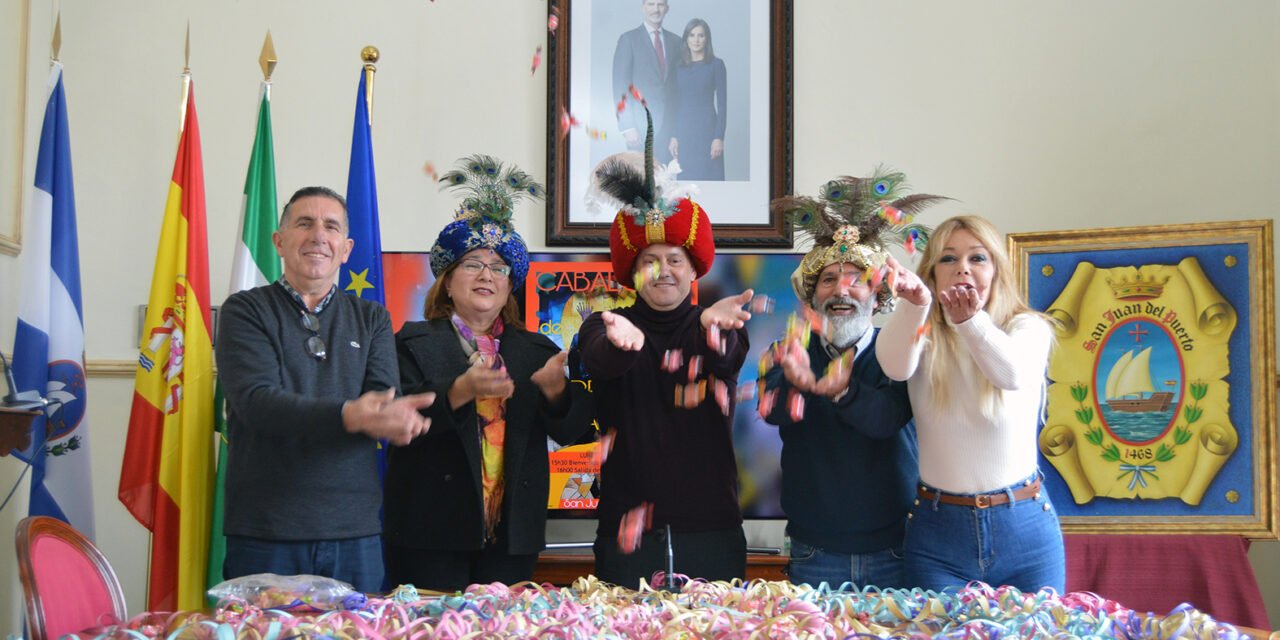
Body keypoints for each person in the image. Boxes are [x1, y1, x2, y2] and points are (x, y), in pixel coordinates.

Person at [382, 156, 593, 592]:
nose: (487, 275)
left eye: (499, 267)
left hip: (512, 538)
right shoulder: (412, 341)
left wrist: (557, 394)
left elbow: (575, 432)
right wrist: (459, 391)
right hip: (429, 534)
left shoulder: (537, 350)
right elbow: (395, 425)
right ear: (448, 276)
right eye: (473, 263)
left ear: (510, 282)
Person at [217, 186, 434, 593]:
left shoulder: (372, 318)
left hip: (355, 534)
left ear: (346, 248)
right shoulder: (244, 311)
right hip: (266, 533)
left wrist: (394, 421)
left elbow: (381, 401)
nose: (319, 235)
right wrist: (348, 415)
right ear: (279, 242)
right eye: (305, 223)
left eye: (331, 226)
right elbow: (256, 403)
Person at [576, 140, 754, 588]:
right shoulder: (604, 322)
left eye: (675, 259)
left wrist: (714, 331)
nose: (663, 271)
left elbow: (727, 357)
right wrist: (621, 343)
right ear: (632, 271)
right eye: (649, 261)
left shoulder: (721, 321)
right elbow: (599, 360)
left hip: (712, 529)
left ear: (694, 269)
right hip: (627, 531)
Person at [762, 172, 948, 589]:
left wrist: (836, 388)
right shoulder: (786, 350)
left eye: (856, 279)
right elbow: (771, 410)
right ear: (813, 296)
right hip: (814, 553)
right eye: (828, 279)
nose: (840, 289)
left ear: (878, 296)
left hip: (897, 550)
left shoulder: (903, 354)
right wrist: (798, 382)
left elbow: (884, 418)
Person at [876, 214, 1065, 593]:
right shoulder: (922, 333)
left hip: (1024, 531)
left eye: (977, 258)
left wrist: (970, 322)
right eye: (948, 259)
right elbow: (895, 368)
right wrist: (915, 306)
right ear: (931, 272)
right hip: (938, 533)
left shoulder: (1027, 328)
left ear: (997, 270)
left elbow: (1010, 374)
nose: (962, 268)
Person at [613, 0, 681, 162]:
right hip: (639, 126)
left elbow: (678, 89)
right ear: (643, 8)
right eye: (651, 4)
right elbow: (620, 86)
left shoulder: (676, 42)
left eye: (660, 4)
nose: (656, 9)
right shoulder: (629, 40)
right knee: (641, 181)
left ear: (667, 9)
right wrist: (627, 126)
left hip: (669, 127)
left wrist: (676, 131)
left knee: (666, 182)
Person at [667, 18, 726, 181]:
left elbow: (722, 105)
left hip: (708, 131)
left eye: (701, 35)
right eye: (692, 35)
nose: (696, 40)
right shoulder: (678, 68)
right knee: (687, 186)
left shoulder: (716, 65)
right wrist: (674, 135)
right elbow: (675, 104)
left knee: (713, 183)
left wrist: (718, 137)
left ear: (707, 38)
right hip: (685, 133)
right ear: (686, 38)